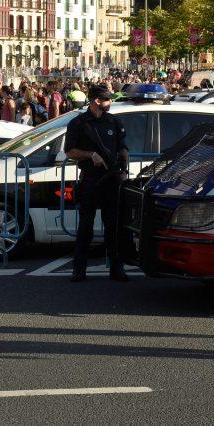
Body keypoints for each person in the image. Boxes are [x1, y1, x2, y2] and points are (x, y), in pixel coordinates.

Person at [64, 83, 129, 283]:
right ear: (96, 101)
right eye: (107, 99)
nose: (110, 102)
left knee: (113, 226)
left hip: (112, 180)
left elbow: (123, 147)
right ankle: (79, 269)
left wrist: (124, 162)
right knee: (86, 227)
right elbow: (70, 151)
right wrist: (90, 155)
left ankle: (116, 268)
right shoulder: (78, 123)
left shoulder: (114, 122)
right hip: (91, 180)